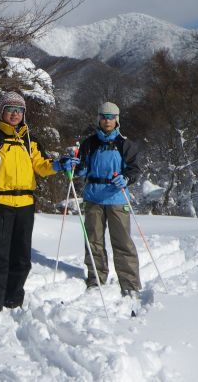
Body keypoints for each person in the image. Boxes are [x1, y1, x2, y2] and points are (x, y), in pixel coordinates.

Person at [0, 91, 77, 310]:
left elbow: (41, 166)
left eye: (19, 111)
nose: (14, 115)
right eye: (10, 110)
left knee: (22, 256)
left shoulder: (30, 142)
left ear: (23, 114)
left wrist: (59, 165)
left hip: (25, 204)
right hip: (1, 204)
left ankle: (13, 299)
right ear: (2, 112)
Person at [75, 101, 142, 298]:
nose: (107, 120)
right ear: (99, 118)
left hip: (117, 198)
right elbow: (82, 168)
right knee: (93, 241)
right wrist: (74, 164)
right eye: (104, 116)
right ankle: (96, 277)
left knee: (122, 242)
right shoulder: (90, 143)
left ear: (117, 120)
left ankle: (129, 284)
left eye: (111, 117)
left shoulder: (125, 144)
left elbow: (134, 169)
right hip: (93, 197)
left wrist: (127, 178)